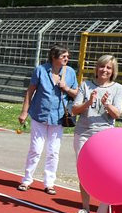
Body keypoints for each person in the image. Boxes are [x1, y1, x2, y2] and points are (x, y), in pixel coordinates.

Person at [18, 44, 79, 194]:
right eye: (63, 56)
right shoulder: (40, 70)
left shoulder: (70, 72)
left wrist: (66, 88)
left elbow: (76, 93)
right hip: (39, 115)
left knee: (53, 151)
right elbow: (30, 91)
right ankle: (27, 179)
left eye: (67, 56)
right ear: (54, 57)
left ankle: (49, 183)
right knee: (36, 149)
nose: (66, 59)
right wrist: (24, 112)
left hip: (58, 117)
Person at [72, 55, 122, 213]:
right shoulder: (86, 85)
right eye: (102, 67)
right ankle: (85, 208)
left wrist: (107, 104)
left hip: (104, 135)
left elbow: (117, 113)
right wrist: (89, 103)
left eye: (108, 68)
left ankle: (104, 209)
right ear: (97, 68)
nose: (105, 70)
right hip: (83, 133)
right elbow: (74, 110)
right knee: (84, 171)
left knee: (104, 172)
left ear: (113, 71)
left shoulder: (118, 88)